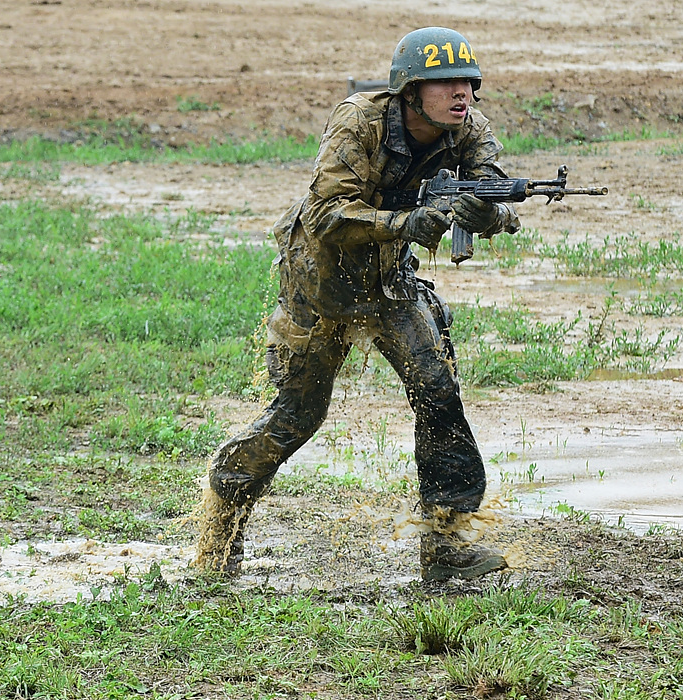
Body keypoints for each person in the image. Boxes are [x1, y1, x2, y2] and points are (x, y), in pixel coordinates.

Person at [194, 27, 519, 581]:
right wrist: (405, 221)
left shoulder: (469, 130)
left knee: (439, 396)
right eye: (445, 84)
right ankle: (221, 525)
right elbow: (325, 215)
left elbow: (494, 192)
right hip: (320, 286)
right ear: (410, 91)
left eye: (468, 82)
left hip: (391, 285)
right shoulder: (359, 123)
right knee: (297, 417)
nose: (461, 94)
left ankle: (447, 545)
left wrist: (488, 215)